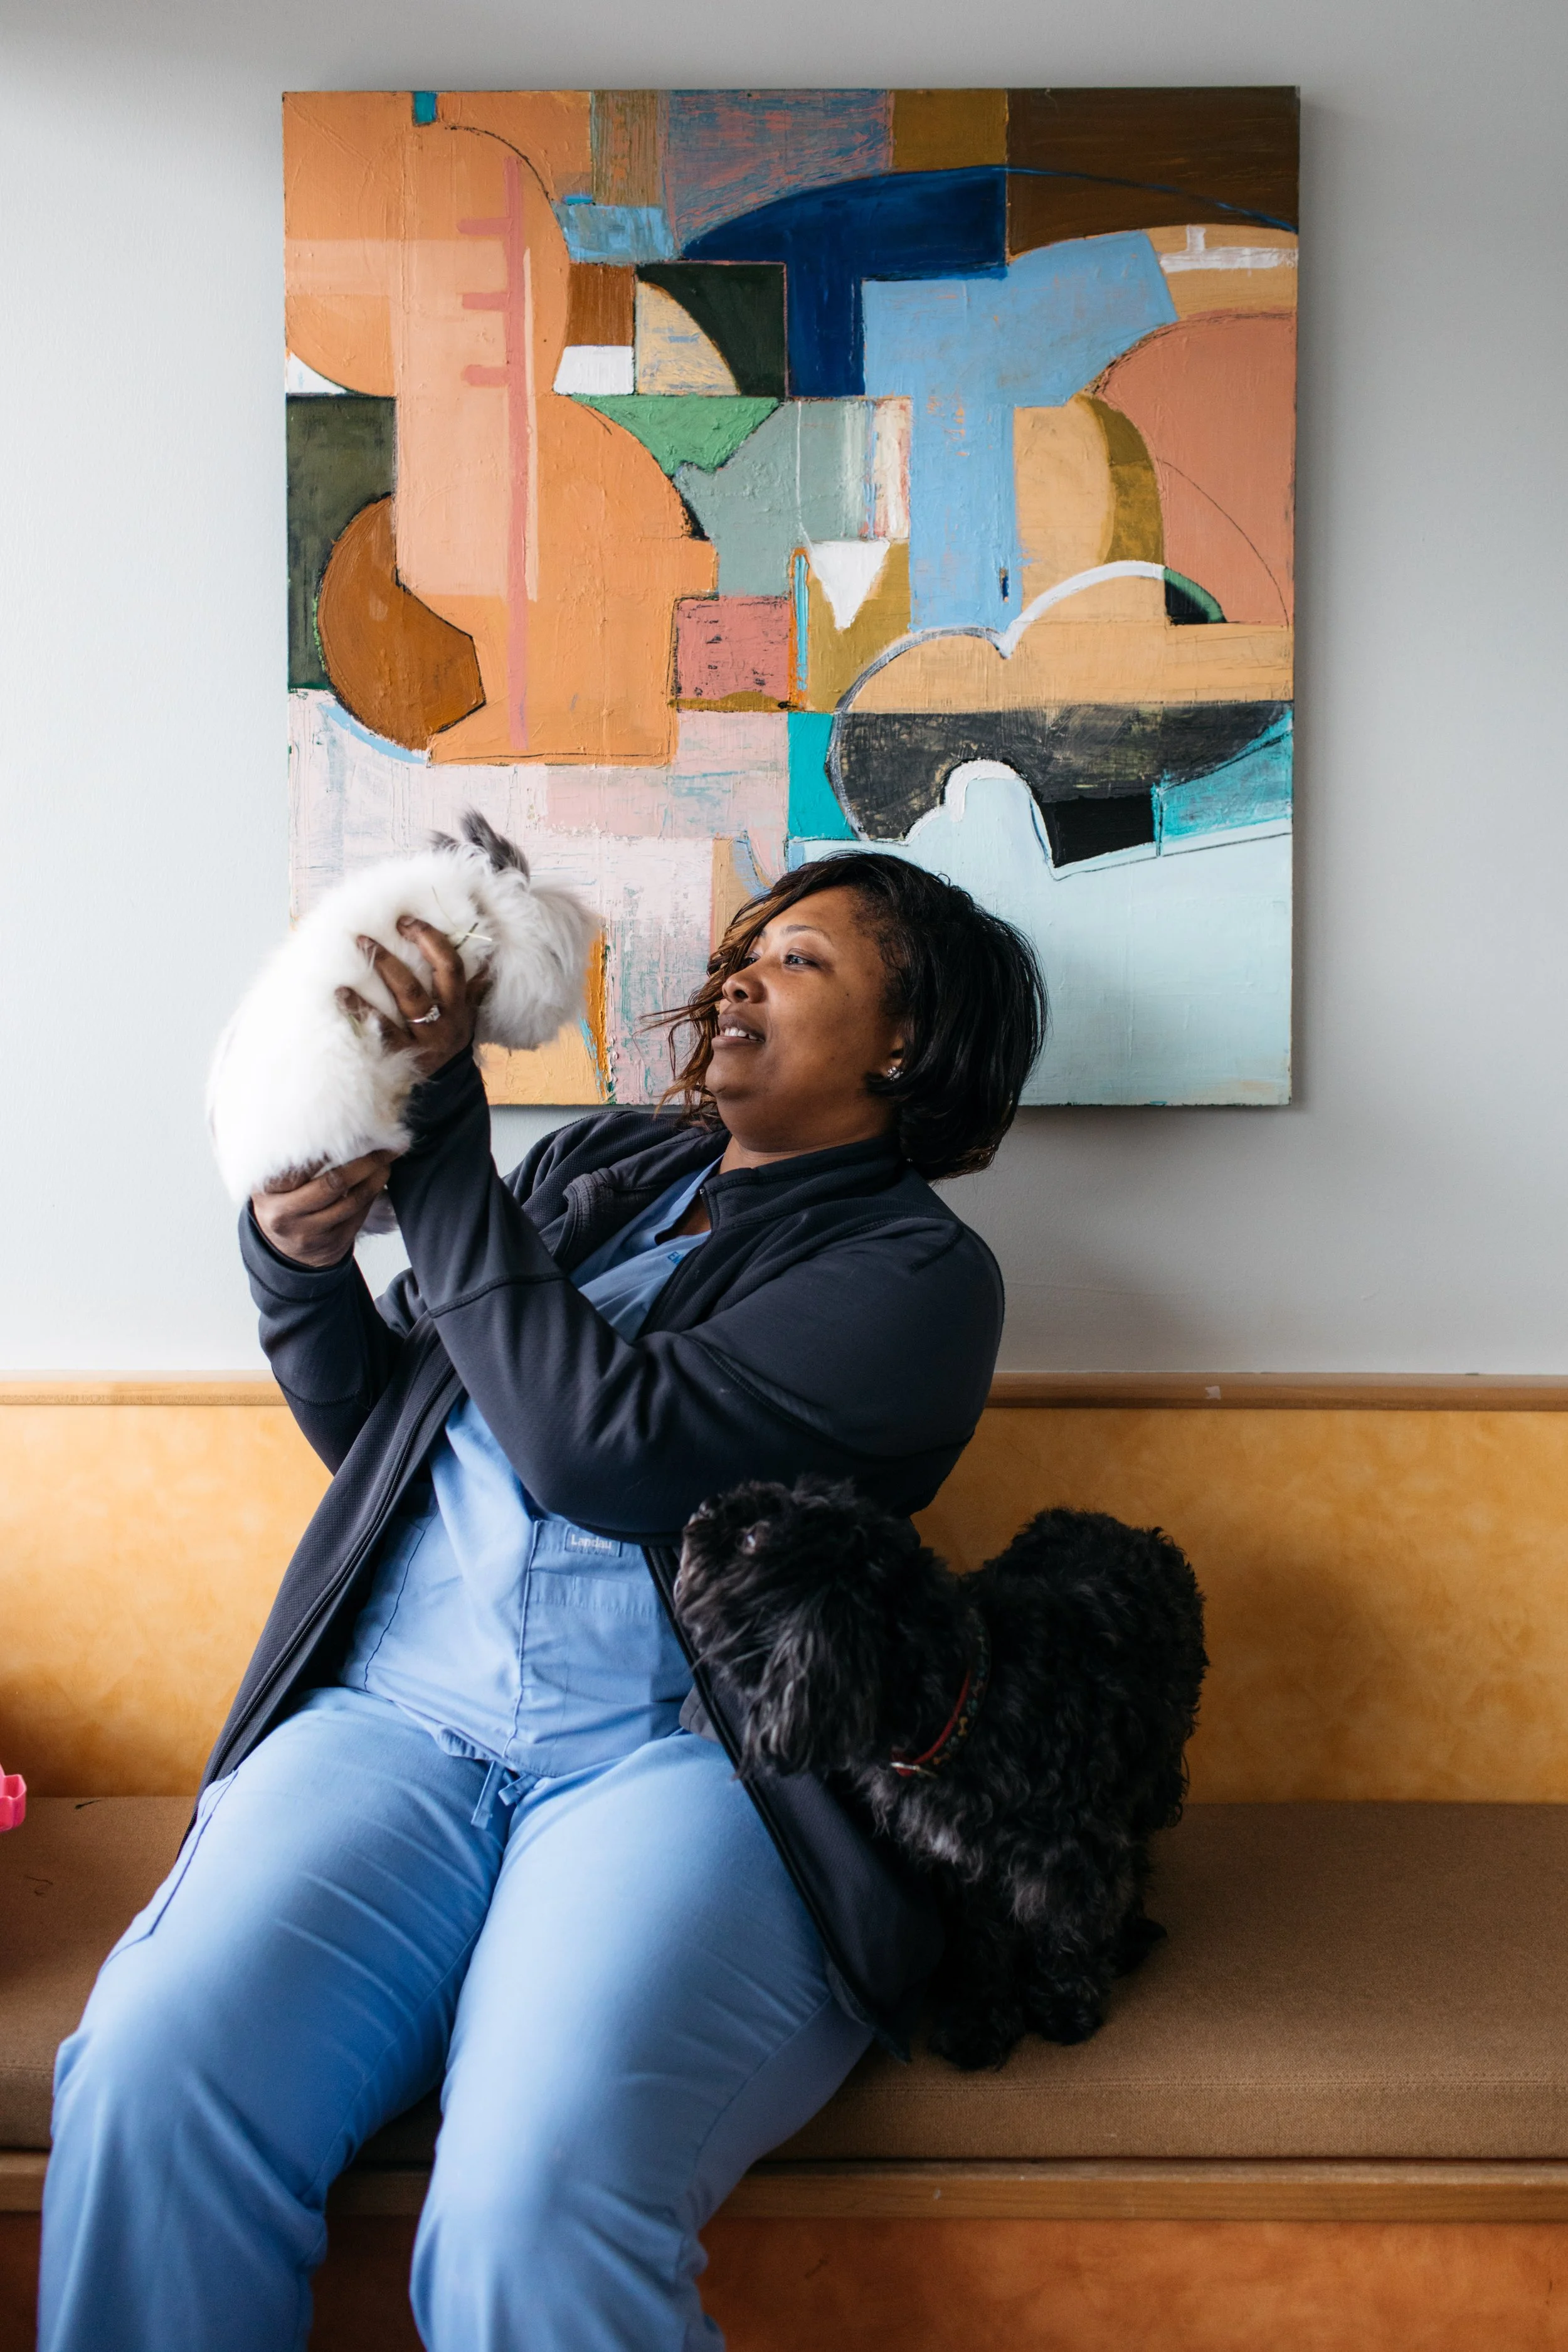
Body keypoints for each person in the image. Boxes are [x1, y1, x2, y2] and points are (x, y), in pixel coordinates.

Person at [40, 851, 1046, 2352]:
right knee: (150, 2079)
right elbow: (389, 1434)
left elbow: (600, 1452)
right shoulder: (598, 1172)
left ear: (903, 1045)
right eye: (745, 945)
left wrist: (442, 1125)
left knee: (530, 2211)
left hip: (684, 1770)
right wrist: (294, 1269)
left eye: (803, 959)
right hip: (397, 1726)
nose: (741, 971)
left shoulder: (917, 1275)